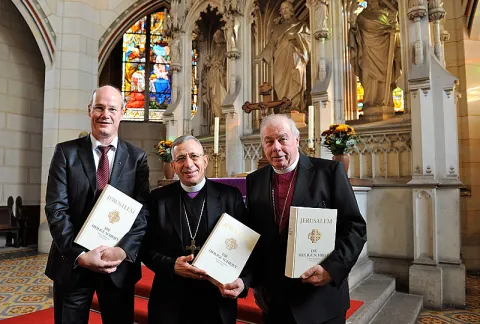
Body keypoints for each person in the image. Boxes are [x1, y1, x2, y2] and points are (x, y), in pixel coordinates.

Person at [246, 114, 367, 324]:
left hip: (319, 299)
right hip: (275, 300)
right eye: (269, 141)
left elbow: (355, 228)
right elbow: (253, 234)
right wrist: (255, 283)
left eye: (282, 139)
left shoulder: (328, 172)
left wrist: (331, 269)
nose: (276, 147)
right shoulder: (255, 180)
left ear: (296, 140)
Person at [44, 85, 150, 324]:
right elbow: (56, 209)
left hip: (118, 267)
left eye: (112, 108)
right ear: (89, 110)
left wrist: (122, 251)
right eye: (99, 107)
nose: (106, 114)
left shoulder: (137, 158)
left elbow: (142, 213)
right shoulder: (65, 152)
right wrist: (79, 255)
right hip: (72, 266)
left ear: (122, 113)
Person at [141, 135, 250, 324]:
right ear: (173, 166)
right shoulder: (158, 199)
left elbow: (248, 247)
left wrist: (244, 281)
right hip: (170, 301)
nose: (188, 164)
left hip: (216, 300)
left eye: (194, 156)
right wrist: (171, 265)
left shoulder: (229, 197)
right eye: (181, 159)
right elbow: (144, 247)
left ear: (205, 160)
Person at [255, 1, 310, 111]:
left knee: (296, 77)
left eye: (286, 8)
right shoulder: (277, 29)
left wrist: (296, 36)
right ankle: (284, 105)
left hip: (295, 56)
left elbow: (308, 40)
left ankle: (295, 106)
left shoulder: (301, 24)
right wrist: (262, 56)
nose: (284, 10)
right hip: (280, 58)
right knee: (280, 81)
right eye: (282, 9)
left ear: (291, 10)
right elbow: (271, 44)